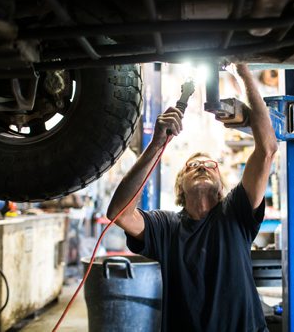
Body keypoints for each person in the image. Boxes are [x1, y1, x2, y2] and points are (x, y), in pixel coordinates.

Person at [107, 63, 278, 332]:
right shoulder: (165, 227)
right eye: (192, 165)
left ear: (221, 185)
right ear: (180, 185)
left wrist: (241, 69)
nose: (201, 166)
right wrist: (156, 145)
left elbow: (267, 148)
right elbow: (119, 213)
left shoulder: (235, 213)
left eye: (210, 165)